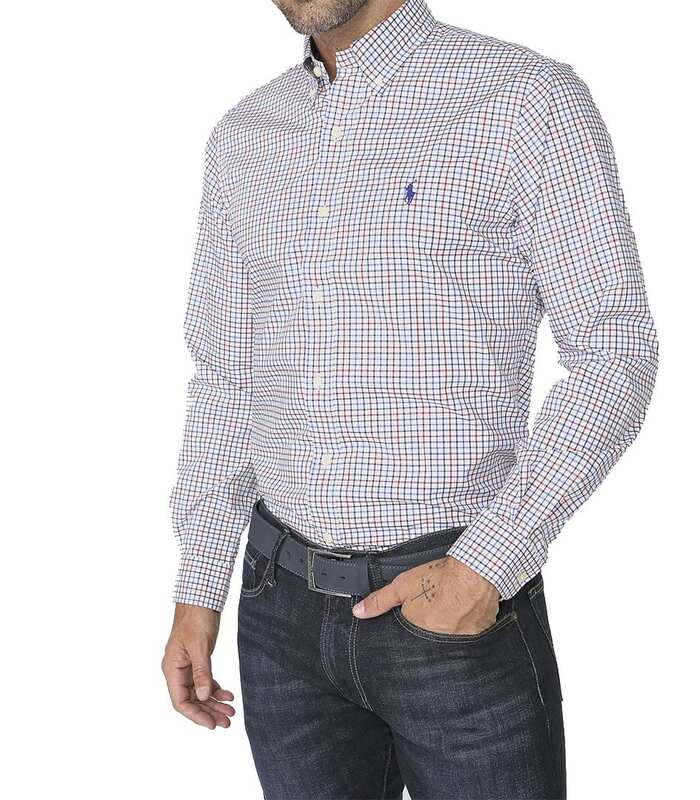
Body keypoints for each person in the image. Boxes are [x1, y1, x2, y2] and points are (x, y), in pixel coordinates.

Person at [161, 0, 659, 797]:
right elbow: (227, 376)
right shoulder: (244, 136)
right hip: (279, 618)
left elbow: (614, 352)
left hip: (456, 612)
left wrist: (481, 569)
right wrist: (198, 585)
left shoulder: (525, 100)